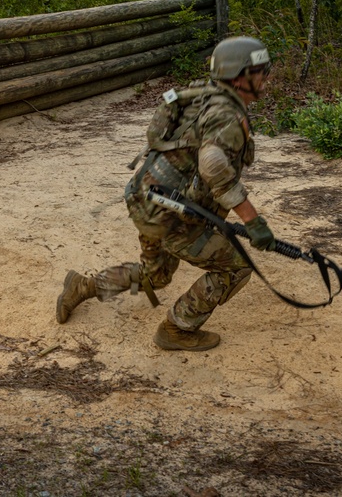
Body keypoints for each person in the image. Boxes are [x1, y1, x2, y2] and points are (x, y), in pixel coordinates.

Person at [57, 36, 277, 351]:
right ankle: (177, 329)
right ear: (241, 76)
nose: (266, 77)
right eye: (261, 70)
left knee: (155, 275)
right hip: (172, 214)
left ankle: (81, 286)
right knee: (236, 267)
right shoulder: (226, 115)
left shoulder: (205, 95)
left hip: (147, 199)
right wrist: (253, 222)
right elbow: (214, 166)